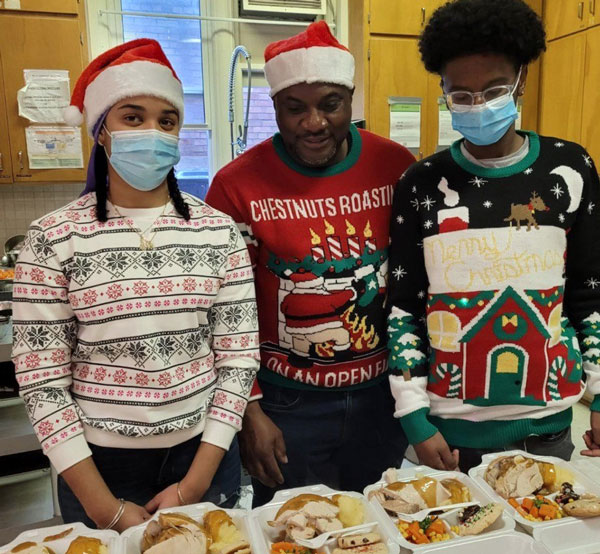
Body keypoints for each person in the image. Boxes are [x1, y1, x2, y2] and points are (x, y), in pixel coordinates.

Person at [12, 39, 259, 530]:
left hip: (204, 454)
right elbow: (42, 383)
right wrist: (106, 507)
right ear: (101, 131)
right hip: (100, 467)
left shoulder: (217, 231)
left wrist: (194, 484)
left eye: (166, 121)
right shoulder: (53, 238)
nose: (152, 132)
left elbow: (238, 360)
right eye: (132, 117)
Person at [205, 21, 415, 506]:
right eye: (294, 108)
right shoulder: (237, 185)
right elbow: (219, 313)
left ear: (350, 97)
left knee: (379, 525)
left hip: (382, 398)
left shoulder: (396, 166)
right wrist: (248, 411)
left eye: (330, 104)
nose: (314, 123)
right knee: (295, 530)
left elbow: (417, 283)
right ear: (275, 106)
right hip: (284, 406)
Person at [386, 0, 600, 473]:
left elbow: (590, 292)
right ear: (441, 88)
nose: (477, 106)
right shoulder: (420, 183)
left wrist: (599, 390)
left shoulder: (569, 168)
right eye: (460, 95)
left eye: (494, 90)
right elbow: (403, 306)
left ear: (521, 78)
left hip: (548, 426)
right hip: (448, 433)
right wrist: (414, 419)